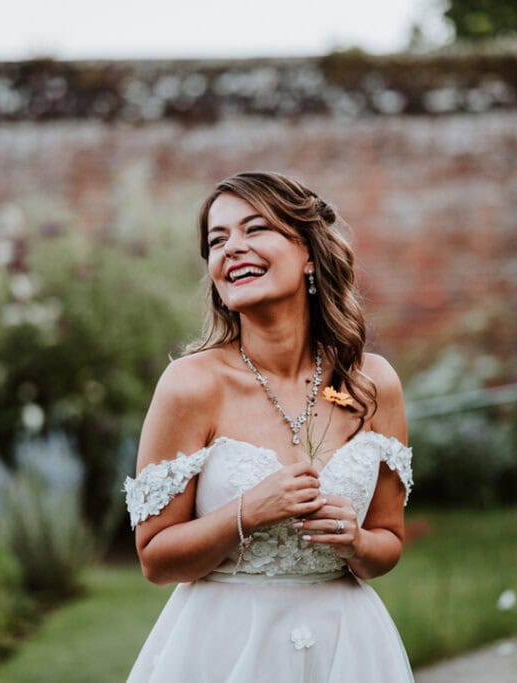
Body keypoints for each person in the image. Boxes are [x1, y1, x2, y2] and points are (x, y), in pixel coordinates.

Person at [123, 171, 415, 682]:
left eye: (254, 229)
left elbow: (388, 540)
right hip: (225, 649)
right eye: (217, 240)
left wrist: (355, 543)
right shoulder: (190, 385)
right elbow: (155, 558)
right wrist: (249, 511)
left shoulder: (372, 383)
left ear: (307, 251)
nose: (232, 248)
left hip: (346, 648)